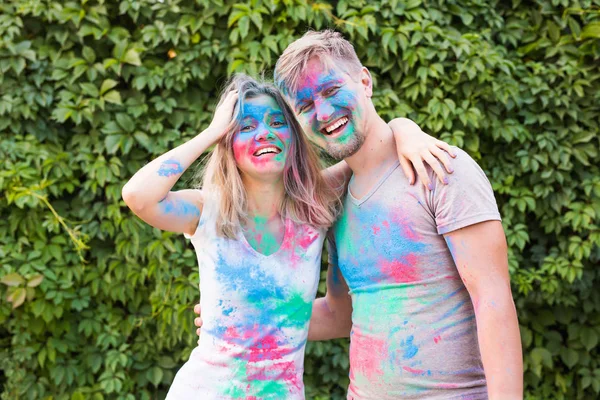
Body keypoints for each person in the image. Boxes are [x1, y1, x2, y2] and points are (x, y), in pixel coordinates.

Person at [123, 73, 453, 399]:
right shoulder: (208, 210)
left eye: (277, 122)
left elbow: (373, 148)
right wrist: (211, 132)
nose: (264, 134)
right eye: (245, 127)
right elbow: (138, 195)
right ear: (229, 144)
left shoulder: (315, 206)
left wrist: (405, 129)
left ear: (293, 137)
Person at [270, 29, 524, 399]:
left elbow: (493, 299)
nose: (323, 113)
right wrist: (249, 317)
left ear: (365, 81)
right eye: (305, 107)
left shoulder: (439, 170)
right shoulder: (333, 200)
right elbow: (341, 315)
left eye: (330, 90)